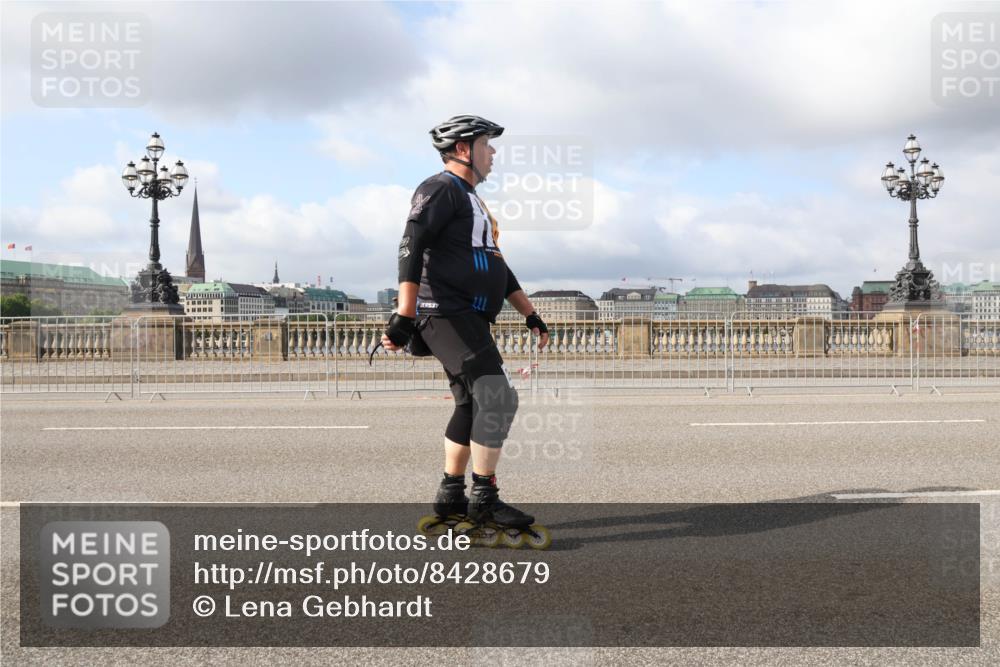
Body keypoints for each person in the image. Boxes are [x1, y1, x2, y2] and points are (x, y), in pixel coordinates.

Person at [381, 114, 550, 534]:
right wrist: (404, 314)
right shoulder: (439, 188)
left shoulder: (472, 199)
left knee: (471, 403)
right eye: (486, 145)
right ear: (463, 150)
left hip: (466, 315)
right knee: (498, 398)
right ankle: (484, 499)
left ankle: (451, 493)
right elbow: (411, 244)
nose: (492, 153)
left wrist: (529, 312)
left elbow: (497, 265)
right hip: (444, 312)